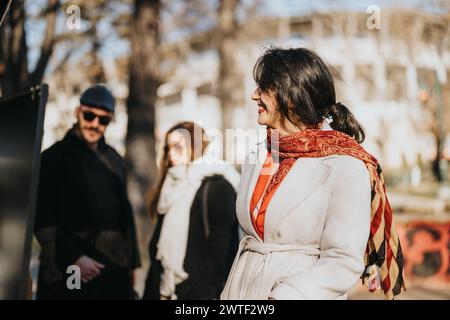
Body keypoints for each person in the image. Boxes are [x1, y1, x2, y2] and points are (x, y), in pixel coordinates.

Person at [220, 47, 405, 300]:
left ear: (292, 97)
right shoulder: (257, 155)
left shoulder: (345, 165)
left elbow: (343, 261)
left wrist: (287, 294)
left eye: (264, 87)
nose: (254, 96)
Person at [34, 84, 141, 299]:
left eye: (103, 120)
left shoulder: (115, 159)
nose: (94, 124)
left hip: (113, 270)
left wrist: (132, 262)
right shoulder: (52, 158)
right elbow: (42, 216)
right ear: (77, 112)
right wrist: (74, 257)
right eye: (89, 115)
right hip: (71, 269)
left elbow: (125, 212)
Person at [143, 121, 240, 300]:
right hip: (164, 289)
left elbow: (218, 254)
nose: (171, 155)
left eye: (178, 147)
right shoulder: (168, 188)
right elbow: (156, 255)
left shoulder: (217, 188)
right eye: (168, 148)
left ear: (197, 148)